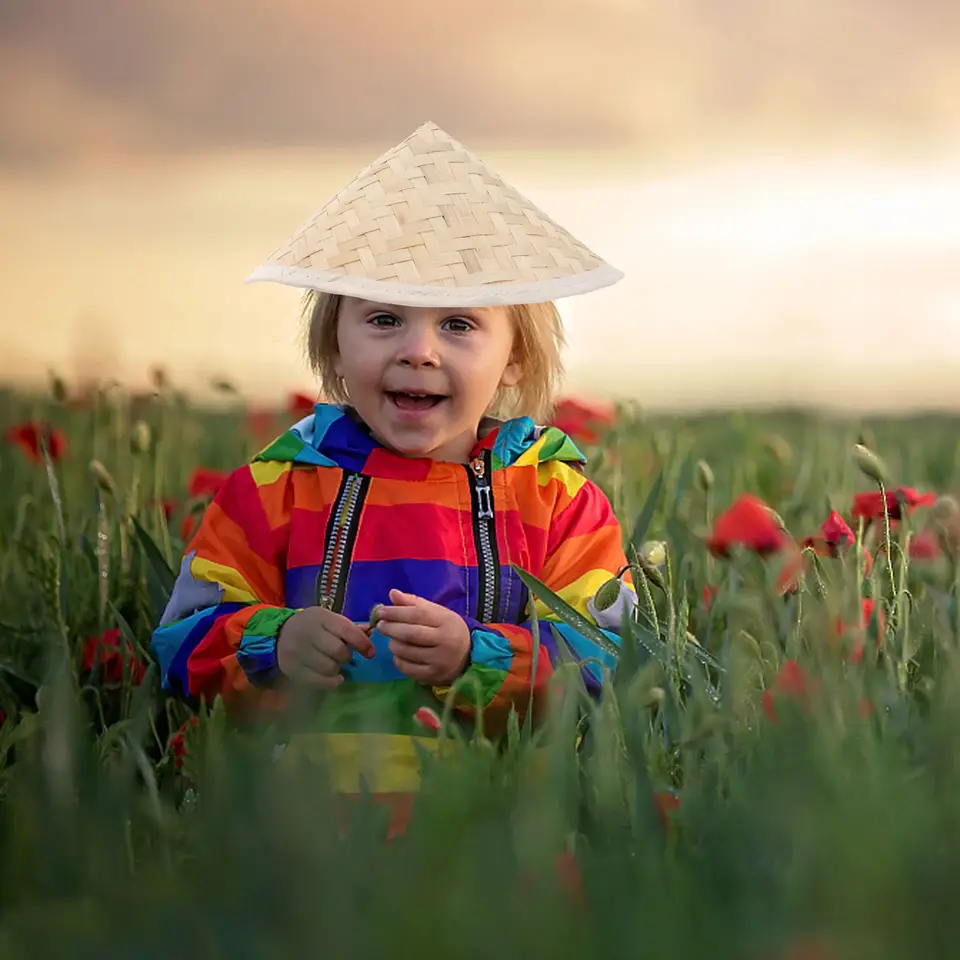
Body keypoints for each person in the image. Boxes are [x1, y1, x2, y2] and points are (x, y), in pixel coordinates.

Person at [151, 121, 636, 838]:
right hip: (303, 839)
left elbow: (606, 659)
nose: (418, 351)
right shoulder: (276, 489)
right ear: (336, 345)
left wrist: (479, 656)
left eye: (459, 325)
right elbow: (181, 641)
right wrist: (276, 643)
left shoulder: (556, 498)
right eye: (383, 318)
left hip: (499, 832)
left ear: (514, 359)